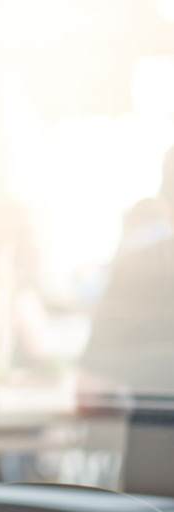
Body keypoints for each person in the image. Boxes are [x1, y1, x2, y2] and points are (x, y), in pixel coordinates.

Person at [80, 145, 174, 393]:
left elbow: (89, 390)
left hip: (152, 430)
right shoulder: (136, 269)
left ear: (164, 205)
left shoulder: (135, 270)